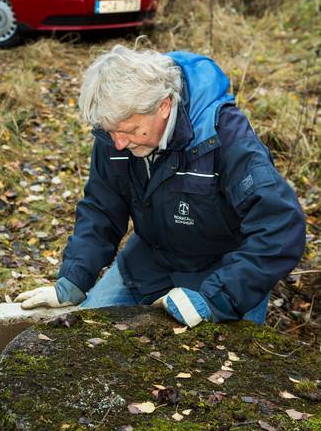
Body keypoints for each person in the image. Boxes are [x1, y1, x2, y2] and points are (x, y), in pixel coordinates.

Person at [15, 46, 305, 328]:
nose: (119, 143)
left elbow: (280, 225)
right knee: (87, 336)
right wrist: (74, 278)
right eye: (111, 131)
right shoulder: (116, 134)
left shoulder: (224, 137)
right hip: (149, 260)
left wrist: (217, 298)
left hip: (224, 272)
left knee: (217, 371)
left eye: (129, 130)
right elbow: (101, 208)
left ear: (164, 106)